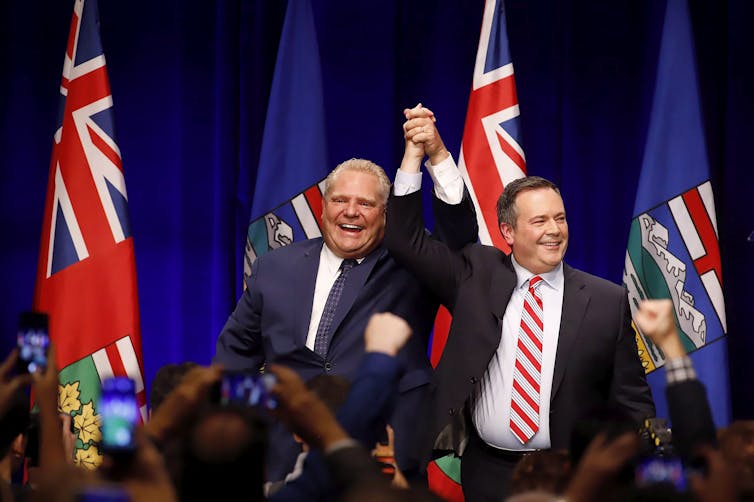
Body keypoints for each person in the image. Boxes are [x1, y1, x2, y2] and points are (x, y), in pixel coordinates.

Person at [384, 111, 655, 501]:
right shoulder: (476, 276)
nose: (554, 230)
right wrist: (420, 156)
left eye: (560, 219)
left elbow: (631, 398)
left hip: (572, 476)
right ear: (508, 232)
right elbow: (406, 241)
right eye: (540, 220)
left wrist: (639, 472)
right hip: (489, 471)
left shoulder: (606, 300)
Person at [213, 109, 479, 483]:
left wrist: (436, 155)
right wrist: (262, 420)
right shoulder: (274, 267)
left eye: (366, 204)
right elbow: (234, 359)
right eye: (340, 200)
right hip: (285, 454)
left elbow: (460, 234)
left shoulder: (411, 263)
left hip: (384, 453)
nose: (351, 212)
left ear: (387, 214)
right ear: (323, 206)